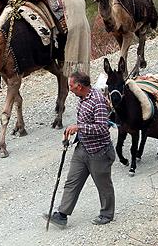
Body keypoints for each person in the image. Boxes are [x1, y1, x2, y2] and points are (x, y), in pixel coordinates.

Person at [45, 71, 115, 227]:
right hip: (82, 148)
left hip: (99, 152)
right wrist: (71, 133)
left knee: (103, 185)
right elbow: (83, 124)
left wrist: (79, 127)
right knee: (72, 181)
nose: (69, 89)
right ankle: (62, 215)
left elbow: (103, 128)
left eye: (71, 86)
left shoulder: (97, 101)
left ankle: (107, 214)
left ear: (80, 86)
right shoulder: (82, 98)